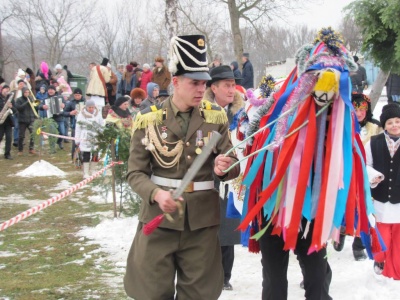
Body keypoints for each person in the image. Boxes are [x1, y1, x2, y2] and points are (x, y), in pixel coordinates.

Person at [124, 34, 240, 300]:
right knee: (151, 293)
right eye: (194, 83)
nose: (202, 89)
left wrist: (225, 167)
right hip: (159, 219)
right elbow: (135, 173)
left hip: (202, 223)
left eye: (205, 83)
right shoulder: (148, 120)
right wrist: (155, 193)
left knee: (199, 295)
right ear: (175, 82)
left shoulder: (215, 117)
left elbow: (232, 163)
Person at [203, 65, 245, 291]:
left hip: (232, 177)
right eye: (226, 85)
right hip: (207, 176)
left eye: (233, 85)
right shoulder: (203, 112)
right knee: (208, 229)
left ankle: (224, 275)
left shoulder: (241, 113)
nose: (231, 90)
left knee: (228, 227)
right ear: (214, 87)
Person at [333, 93, 382, 260]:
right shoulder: (341, 126)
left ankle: (359, 245)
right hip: (346, 173)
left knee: (364, 210)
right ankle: (339, 230)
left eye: (363, 109)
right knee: (343, 203)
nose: (359, 112)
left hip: (368, 175)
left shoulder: (375, 127)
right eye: (356, 108)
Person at [365, 103, 400, 280]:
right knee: (382, 237)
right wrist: (373, 176)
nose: (394, 125)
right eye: (390, 122)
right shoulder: (374, 142)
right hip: (381, 201)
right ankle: (380, 260)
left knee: (399, 242)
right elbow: (366, 165)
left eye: (398, 121)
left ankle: (395, 273)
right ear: (384, 125)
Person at [75, 99, 104, 179]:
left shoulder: (98, 114)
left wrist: (102, 135)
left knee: (95, 154)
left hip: (96, 137)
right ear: (86, 107)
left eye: (92, 107)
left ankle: (93, 170)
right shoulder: (81, 115)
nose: (91, 109)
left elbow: (101, 124)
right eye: (89, 107)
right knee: (86, 154)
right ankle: (86, 172)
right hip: (85, 137)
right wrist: (77, 139)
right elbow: (78, 127)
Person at [38, 85, 66, 149]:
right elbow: (39, 106)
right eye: (49, 89)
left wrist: (64, 105)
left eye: (52, 89)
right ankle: (52, 147)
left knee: (62, 132)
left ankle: (59, 142)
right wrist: (43, 106)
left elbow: (66, 105)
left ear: (55, 90)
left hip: (59, 117)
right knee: (52, 132)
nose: (50, 91)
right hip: (51, 118)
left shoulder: (60, 97)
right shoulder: (45, 99)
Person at [63, 88, 85, 160]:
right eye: (75, 95)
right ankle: (74, 158)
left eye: (78, 95)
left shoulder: (85, 102)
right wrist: (70, 113)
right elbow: (64, 113)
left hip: (84, 126)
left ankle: (83, 158)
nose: (77, 97)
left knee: (83, 143)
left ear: (81, 95)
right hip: (74, 125)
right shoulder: (71, 103)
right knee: (74, 143)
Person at [15, 87, 38, 155]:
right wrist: (27, 102)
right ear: (23, 92)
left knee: (33, 134)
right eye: (25, 92)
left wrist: (36, 102)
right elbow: (19, 108)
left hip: (30, 119)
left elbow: (35, 107)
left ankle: (31, 148)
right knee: (21, 136)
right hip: (22, 120)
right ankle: (20, 150)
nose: (27, 94)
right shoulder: (19, 100)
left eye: (28, 92)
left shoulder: (31, 98)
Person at [0, 85, 16, 159]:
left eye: (8, 89)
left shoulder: (10, 98)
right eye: (5, 89)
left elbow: (16, 110)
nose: (7, 90)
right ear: (2, 90)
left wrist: (11, 107)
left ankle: (7, 154)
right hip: (0, 121)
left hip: (8, 121)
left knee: (9, 138)